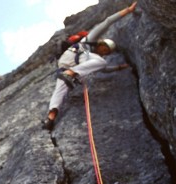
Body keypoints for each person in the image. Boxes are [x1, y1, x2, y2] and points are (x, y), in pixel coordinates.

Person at [43, 2, 137, 131]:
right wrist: (128, 11)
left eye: (107, 52)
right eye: (105, 49)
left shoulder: (92, 59)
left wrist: (120, 67)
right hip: (74, 58)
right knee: (99, 62)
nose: (105, 52)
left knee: (61, 89)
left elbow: (104, 69)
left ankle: (51, 117)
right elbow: (108, 21)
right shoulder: (90, 40)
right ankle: (71, 73)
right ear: (101, 44)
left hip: (67, 67)